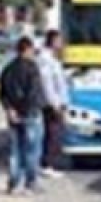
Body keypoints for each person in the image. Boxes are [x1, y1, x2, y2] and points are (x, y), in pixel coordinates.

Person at [0, 36, 46, 196]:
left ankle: (14, 183)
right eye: (32, 50)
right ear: (27, 50)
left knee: (15, 150)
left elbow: (2, 92)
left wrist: (10, 109)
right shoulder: (32, 68)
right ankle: (30, 183)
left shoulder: (8, 69)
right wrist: (25, 110)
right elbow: (33, 92)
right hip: (30, 114)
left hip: (13, 115)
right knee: (32, 150)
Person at [37, 30, 69, 179]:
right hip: (51, 104)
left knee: (55, 134)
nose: (62, 44)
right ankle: (46, 165)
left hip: (57, 102)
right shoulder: (45, 59)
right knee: (53, 135)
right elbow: (47, 84)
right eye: (59, 41)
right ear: (53, 41)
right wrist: (55, 104)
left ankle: (49, 164)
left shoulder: (53, 58)